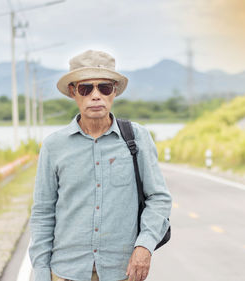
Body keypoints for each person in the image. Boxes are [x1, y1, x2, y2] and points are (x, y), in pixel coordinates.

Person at [29, 50, 172, 281]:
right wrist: (41, 273)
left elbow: (159, 198)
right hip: (66, 272)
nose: (96, 96)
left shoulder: (137, 138)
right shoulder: (53, 146)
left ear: (114, 91)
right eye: (86, 88)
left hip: (121, 272)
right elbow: (43, 213)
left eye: (104, 88)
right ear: (73, 91)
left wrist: (145, 246)